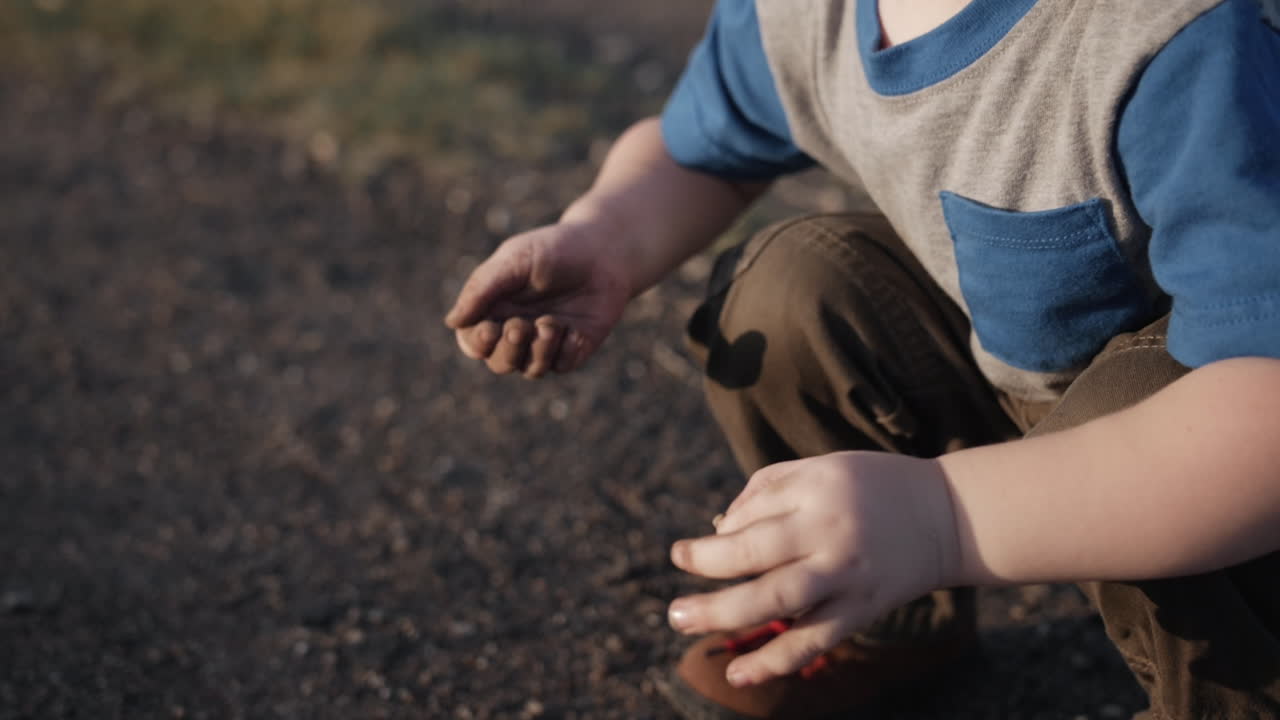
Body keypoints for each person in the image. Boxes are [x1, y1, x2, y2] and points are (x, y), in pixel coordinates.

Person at [445, 0, 1280, 716]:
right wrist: (607, 237)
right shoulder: (814, 14)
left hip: (1215, 426)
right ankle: (889, 619)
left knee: (1142, 407)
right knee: (794, 287)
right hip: (1025, 365)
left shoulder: (1177, 39)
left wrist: (940, 519)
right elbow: (701, 149)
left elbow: (1261, 415)